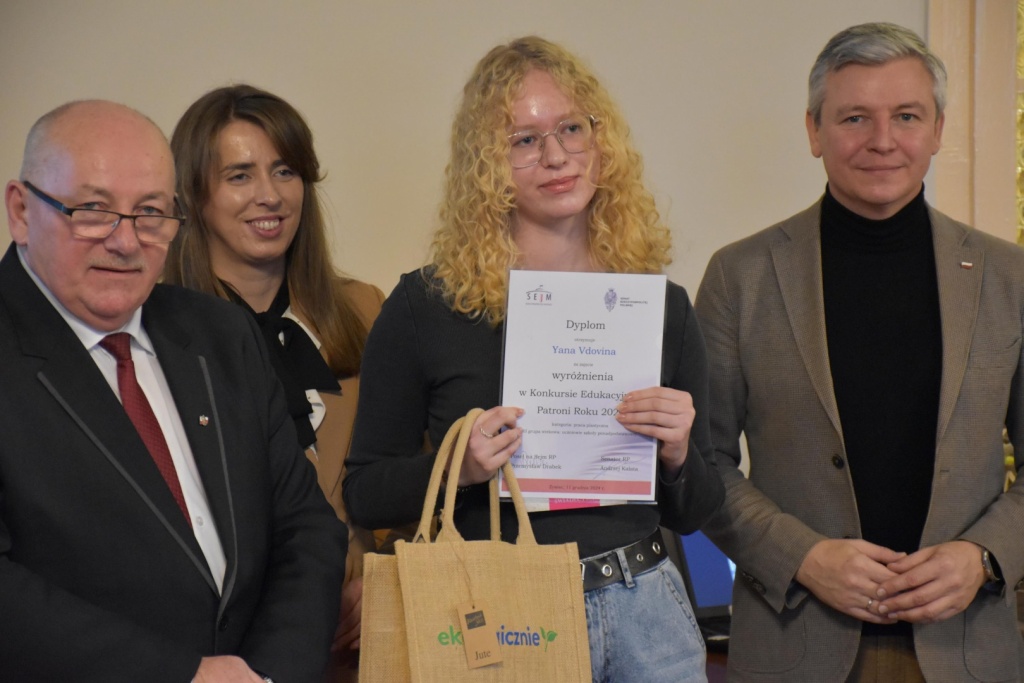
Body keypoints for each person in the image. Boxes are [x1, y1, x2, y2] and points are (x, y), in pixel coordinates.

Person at [343, 36, 724, 683]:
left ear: (601, 140)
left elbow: (697, 510)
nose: (556, 156)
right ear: (486, 164)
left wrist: (679, 453)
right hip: (502, 617)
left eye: (571, 128)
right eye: (524, 139)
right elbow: (363, 492)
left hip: (649, 614)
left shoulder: (658, 305)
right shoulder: (426, 306)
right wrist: (459, 467)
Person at [695, 22, 1024, 682]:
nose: (882, 140)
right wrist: (802, 556)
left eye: (906, 116)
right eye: (854, 118)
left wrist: (983, 556)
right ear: (814, 131)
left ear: (937, 129)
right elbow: (701, 463)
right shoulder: (741, 276)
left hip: (966, 649)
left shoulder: (1009, 277)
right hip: (793, 643)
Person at [0, 100, 347, 683]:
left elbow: (305, 528)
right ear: (21, 211)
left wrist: (269, 675)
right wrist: (184, 675)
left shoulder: (221, 334)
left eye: (150, 213)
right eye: (94, 210)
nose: (125, 241)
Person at [164, 85, 383, 682]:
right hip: (232, 655)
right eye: (239, 175)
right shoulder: (154, 333)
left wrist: (387, 579)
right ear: (194, 195)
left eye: (284, 170)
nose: (270, 194)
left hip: (366, 646)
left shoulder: (365, 309)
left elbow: (412, 473)